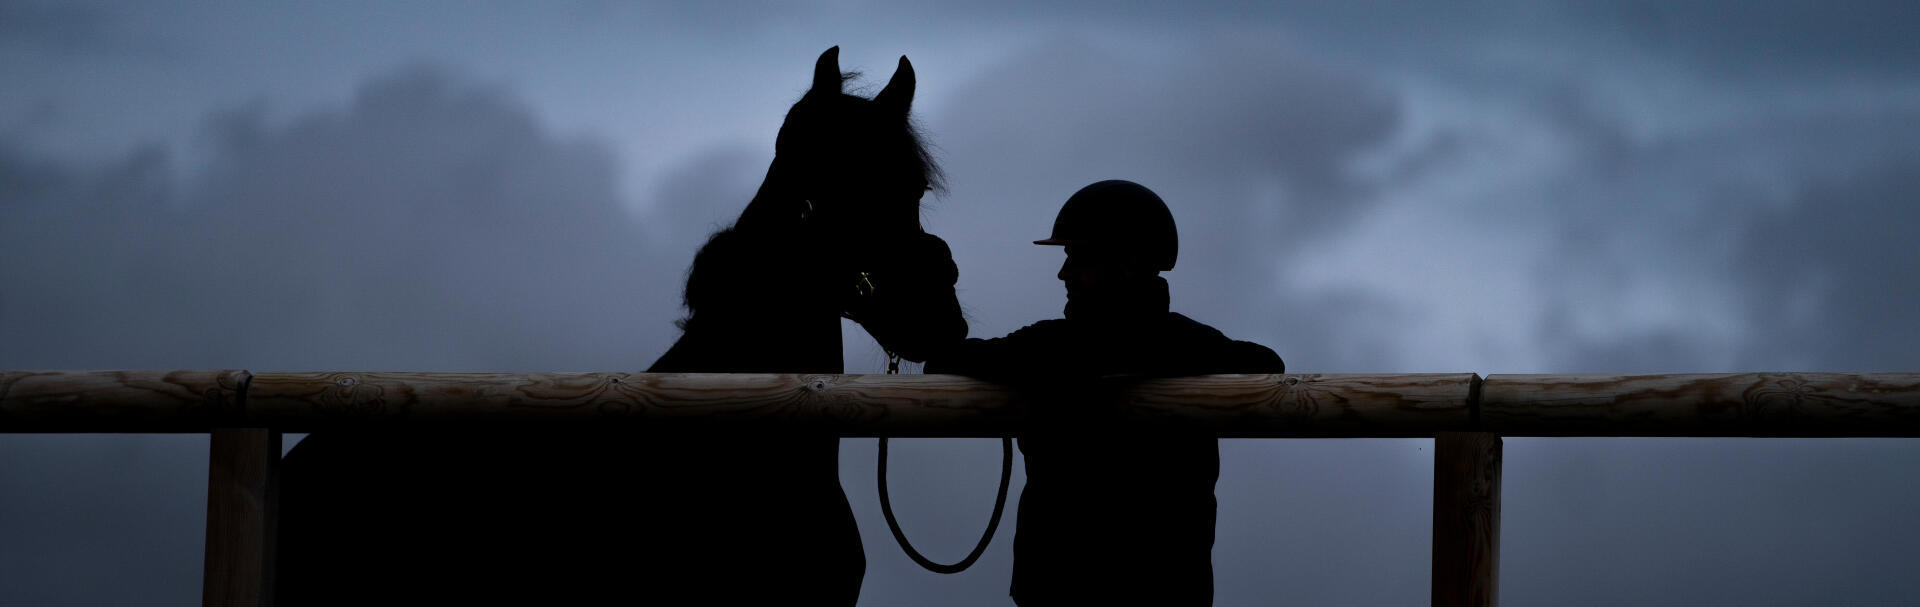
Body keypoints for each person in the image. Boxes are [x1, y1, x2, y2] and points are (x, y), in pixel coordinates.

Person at [927, 180, 1284, 606]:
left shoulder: (1046, 350)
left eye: (1078, 257)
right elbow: (1267, 364)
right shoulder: (1191, 347)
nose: (1064, 273)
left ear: (1128, 262)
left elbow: (945, 360)